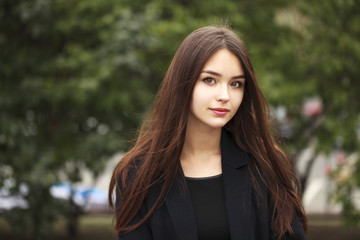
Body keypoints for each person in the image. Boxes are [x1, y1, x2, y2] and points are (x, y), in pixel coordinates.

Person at [109, 26, 307, 240]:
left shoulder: (266, 166)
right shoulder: (138, 174)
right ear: (182, 83)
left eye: (236, 84)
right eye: (210, 80)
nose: (225, 95)